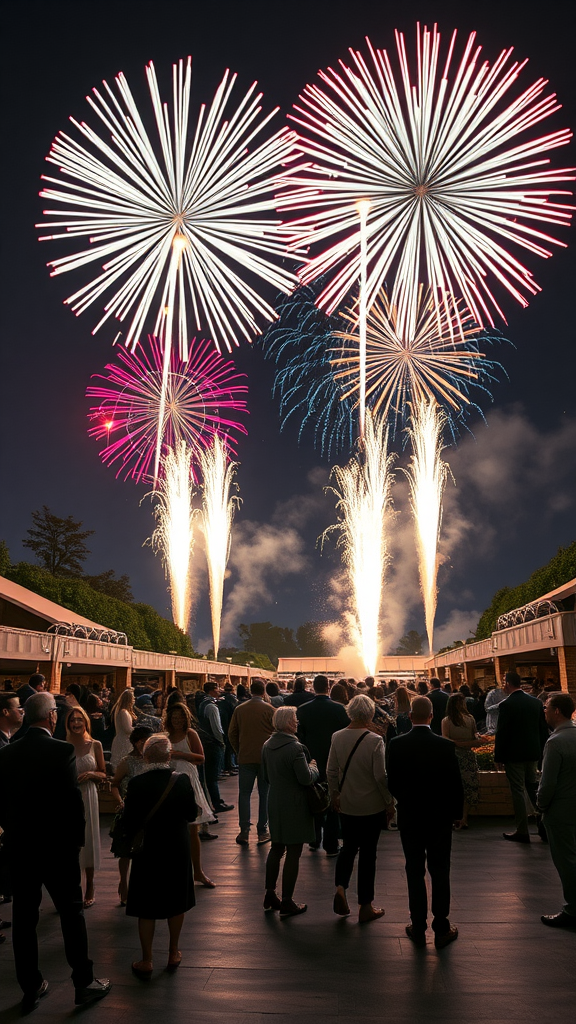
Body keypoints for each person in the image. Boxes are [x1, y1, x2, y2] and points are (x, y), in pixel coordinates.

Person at [0, 692, 111, 1010]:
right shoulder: (61, 750)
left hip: (21, 847)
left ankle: (30, 986)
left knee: (24, 918)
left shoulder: (7, 754)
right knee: (72, 914)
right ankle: (84, 982)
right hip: (57, 848)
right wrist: (76, 840)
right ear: (51, 717)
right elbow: (71, 800)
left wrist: (13, 830)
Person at [387, 696, 464, 949]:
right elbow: (455, 783)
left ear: (410, 717)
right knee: (440, 869)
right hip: (439, 817)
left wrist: (404, 802)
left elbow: (393, 783)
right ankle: (441, 926)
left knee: (414, 869)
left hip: (411, 816)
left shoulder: (396, 745)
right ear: (432, 716)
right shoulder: (444, 746)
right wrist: (456, 813)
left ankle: (417, 924)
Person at [122, 734, 198, 977]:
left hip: (148, 848)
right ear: (168, 756)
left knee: (146, 904)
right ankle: (174, 951)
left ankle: (147, 960)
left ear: (145, 757)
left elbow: (130, 820)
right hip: (176, 844)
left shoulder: (136, 784)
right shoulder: (181, 780)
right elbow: (191, 814)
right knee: (177, 899)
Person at [326, 695, 394, 923]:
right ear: (370, 714)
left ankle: (340, 888)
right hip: (371, 805)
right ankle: (366, 905)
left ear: (350, 712)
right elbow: (380, 776)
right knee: (368, 854)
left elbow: (331, 770)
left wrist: (334, 793)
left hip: (347, 803)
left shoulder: (337, 736)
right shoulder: (375, 740)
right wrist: (388, 801)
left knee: (348, 848)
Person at [261, 706, 319, 917]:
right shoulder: (295, 748)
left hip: (274, 800)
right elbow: (305, 778)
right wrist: (313, 767)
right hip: (294, 803)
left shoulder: (267, 745)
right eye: (294, 719)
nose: (297, 722)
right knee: (294, 851)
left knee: (276, 848)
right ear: (286, 722)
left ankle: (270, 893)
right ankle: (287, 900)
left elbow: (266, 776)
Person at [163, 701, 217, 888]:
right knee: (172, 830)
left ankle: (198, 871)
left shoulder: (190, 734)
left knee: (192, 829)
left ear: (186, 718)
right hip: (170, 783)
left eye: (180, 717)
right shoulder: (165, 737)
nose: (177, 720)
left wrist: (179, 754)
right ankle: (175, 871)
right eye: (174, 717)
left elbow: (201, 758)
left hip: (188, 781)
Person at [297, 674, 349, 857]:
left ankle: (313, 839)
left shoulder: (302, 710)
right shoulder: (340, 709)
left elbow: (300, 737)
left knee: (314, 799)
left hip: (312, 761)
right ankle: (331, 844)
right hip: (334, 760)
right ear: (328, 687)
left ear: (313, 688)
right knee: (333, 801)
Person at [494, 671, 549, 843]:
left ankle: (522, 830)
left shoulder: (506, 705)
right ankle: (544, 824)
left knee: (517, 790)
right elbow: (542, 730)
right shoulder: (535, 702)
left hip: (514, 755)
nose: (502, 685)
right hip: (532, 753)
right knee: (533, 787)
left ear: (508, 683)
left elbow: (502, 733)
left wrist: (499, 756)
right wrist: (542, 753)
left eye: (503, 682)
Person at [537, 693, 576, 929]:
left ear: (557, 711)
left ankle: (572, 909)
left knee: (566, 860)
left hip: (560, 811)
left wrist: (541, 806)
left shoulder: (555, 742)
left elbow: (548, 783)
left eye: (547, 707)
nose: (545, 711)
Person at [65, 706, 107, 907]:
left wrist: (91, 775)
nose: (76, 724)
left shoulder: (95, 745)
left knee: (88, 839)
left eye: (79, 720)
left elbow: (103, 773)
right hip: (69, 797)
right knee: (70, 842)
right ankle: (72, 886)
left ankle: (90, 884)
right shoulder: (62, 746)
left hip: (89, 794)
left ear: (86, 722)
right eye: (72, 720)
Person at [110, 725, 153, 905]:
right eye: (141, 741)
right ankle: (124, 883)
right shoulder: (127, 761)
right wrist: (120, 801)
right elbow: (115, 784)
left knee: (147, 849)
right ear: (135, 742)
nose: (143, 744)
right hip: (130, 807)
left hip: (149, 809)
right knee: (125, 850)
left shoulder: (154, 760)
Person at [228, 679, 275, 845]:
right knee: (265, 794)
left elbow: (232, 733)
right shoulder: (270, 710)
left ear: (250, 691)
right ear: (264, 692)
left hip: (245, 758)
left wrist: (238, 750)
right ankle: (262, 831)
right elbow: (276, 733)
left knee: (244, 793)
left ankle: (244, 831)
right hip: (265, 759)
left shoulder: (240, 709)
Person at [442, 693, 490, 828]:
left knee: (452, 787)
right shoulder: (470, 719)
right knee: (469, 787)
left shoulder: (446, 721)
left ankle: (453, 817)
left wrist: (457, 743)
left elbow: (445, 738)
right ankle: (464, 817)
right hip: (468, 756)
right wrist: (473, 741)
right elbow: (475, 735)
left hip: (453, 757)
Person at [196, 682, 233, 813]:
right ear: (211, 690)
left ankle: (214, 801)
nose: (220, 691)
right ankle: (216, 803)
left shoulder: (203, 704)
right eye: (217, 689)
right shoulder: (212, 707)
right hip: (213, 743)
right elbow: (217, 728)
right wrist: (221, 742)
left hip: (206, 742)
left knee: (209, 776)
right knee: (213, 776)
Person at [110, 688, 137, 768]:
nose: (134, 699)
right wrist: (137, 729)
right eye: (133, 698)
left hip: (121, 739)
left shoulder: (121, 711)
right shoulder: (124, 712)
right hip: (124, 741)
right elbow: (127, 729)